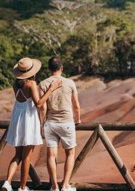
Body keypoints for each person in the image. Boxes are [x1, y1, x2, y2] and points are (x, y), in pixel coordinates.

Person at [2, 57, 62, 191]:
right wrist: (51, 89)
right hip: (29, 120)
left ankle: (7, 182)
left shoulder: (15, 85)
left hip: (17, 119)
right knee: (27, 156)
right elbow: (39, 104)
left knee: (17, 155)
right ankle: (23, 187)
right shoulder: (31, 84)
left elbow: (22, 101)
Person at [40, 56, 81, 191]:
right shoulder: (70, 83)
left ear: (48, 69)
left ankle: (54, 186)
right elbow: (76, 105)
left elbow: (43, 108)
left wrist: (41, 124)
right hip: (67, 122)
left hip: (50, 123)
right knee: (70, 154)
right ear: (61, 68)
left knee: (51, 155)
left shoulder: (43, 84)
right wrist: (78, 119)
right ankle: (65, 185)